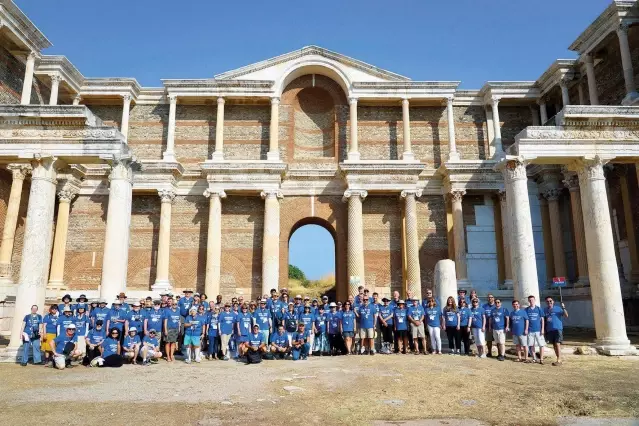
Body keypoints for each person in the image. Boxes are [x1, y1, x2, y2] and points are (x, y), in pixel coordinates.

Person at [544, 296, 568, 366]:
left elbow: (566, 315)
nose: (549, 302)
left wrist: (563, 307)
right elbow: (545, 320)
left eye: (550, 301)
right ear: (546, 302)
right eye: (548, 301)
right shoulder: (545, 310)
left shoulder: (558, 308)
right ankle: (558, 358)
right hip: (549, 329)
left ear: (553, 301)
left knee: (557, 344)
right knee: (554, 345)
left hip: (557, 329)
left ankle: (559, 360)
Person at [525, 295, 546, 364]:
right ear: (528, 301)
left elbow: (542, 319)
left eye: (532, 300)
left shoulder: (539, 309)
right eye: (530, 300)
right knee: (531, 345)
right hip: (530, 330)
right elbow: (525, 320)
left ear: (535, 300)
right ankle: (534, 358)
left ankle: (541, 359)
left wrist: (542, 329)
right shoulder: (526, 310)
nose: (531, 301)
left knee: (541, 344)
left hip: (538, 330)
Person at [163, 298, 181, 362]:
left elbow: (179, 320)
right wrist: (165, 330)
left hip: (175, 329)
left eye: (175, 304)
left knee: (173, 343)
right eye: (173, 304)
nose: (174, 305)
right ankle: (168, 356)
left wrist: (179, 328)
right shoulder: (168, 311)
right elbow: (165, 321)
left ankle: (171, 355)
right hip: (169, 328)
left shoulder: (178, 310)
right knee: (168, 343)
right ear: (171, 304)